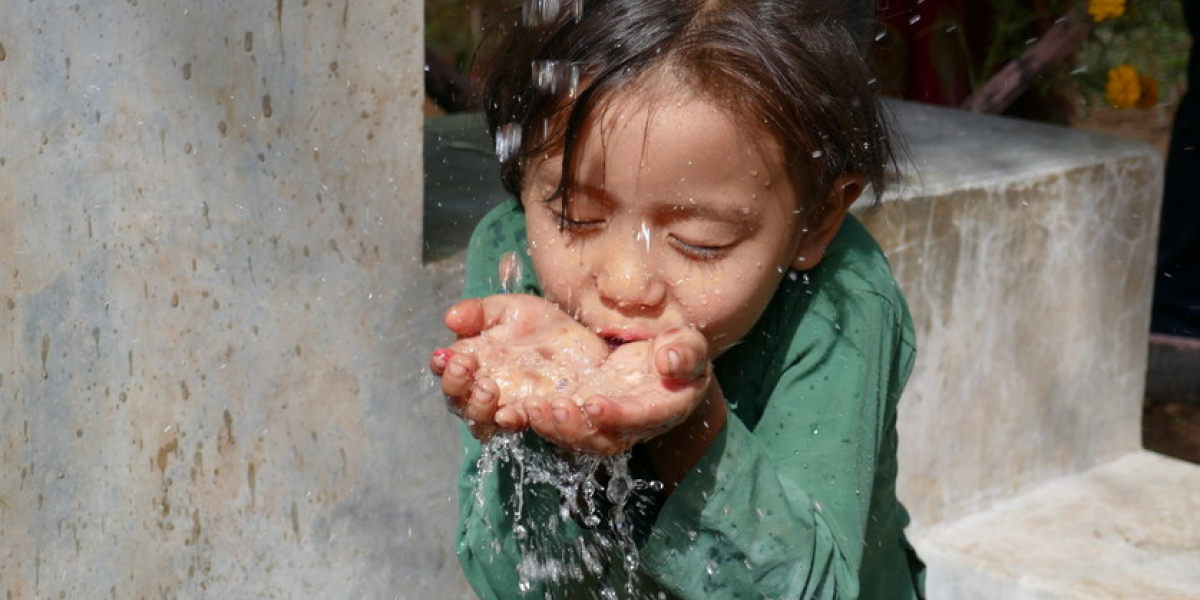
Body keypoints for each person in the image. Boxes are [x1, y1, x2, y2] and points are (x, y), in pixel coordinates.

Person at [428, 0, 925, 598]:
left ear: (815, 219)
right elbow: (506, 577)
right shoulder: (514, 255)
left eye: (700, 243)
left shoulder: (842, 303)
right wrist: (540, 427)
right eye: (577, 217)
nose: (626, 285)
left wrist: (693, 429)